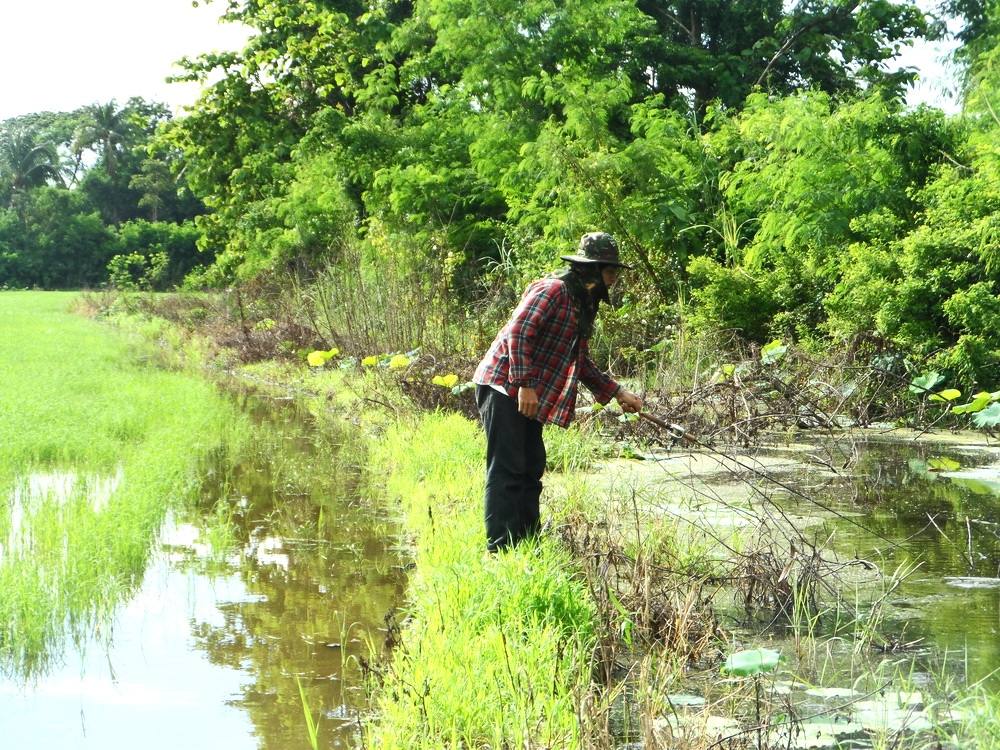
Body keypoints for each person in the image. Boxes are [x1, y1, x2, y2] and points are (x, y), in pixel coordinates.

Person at [473, 232, 643, 552]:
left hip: (527, 393)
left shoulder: (582, 304)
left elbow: (580, 362)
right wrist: (524, 383)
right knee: (508, 469)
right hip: (504, 386)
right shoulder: (552, 291)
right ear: (592, 270)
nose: (615, 279)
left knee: (531, 467)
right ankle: (499, 550)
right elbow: (519, 332)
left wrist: (617, 391)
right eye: (610, 272)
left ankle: (527, 542)